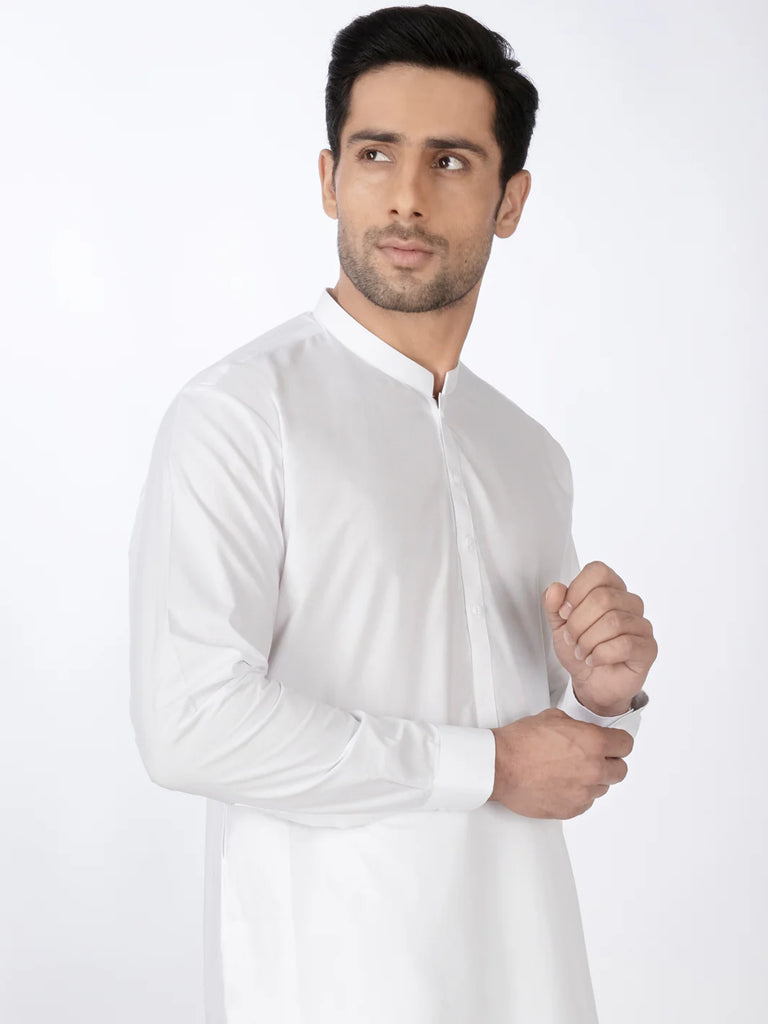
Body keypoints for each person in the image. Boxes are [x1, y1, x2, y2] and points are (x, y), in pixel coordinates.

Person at [128, 5, 656, 1022]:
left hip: (530, 975)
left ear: (510, 201)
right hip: (332, 982)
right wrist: (489, 765)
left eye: (451, 161)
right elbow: (189, 724)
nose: (407, 196)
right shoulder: (241, 415)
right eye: (377, 154)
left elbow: (543, 752)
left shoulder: (528, 454)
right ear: (331, 179)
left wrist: (602, 699)